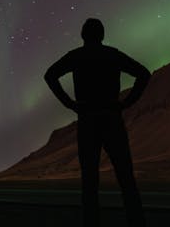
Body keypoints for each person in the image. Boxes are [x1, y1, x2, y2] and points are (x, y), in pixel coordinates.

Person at [44, 18, 151, 227]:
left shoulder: (76, 56)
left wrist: (70, 103)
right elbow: (143, 74)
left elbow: (50, 75)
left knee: (89, 182)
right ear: (102, 35)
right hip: (111, 118)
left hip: (87, 120)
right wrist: (127, 102)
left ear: (83, 35)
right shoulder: (112, 55)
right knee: (126, 177)